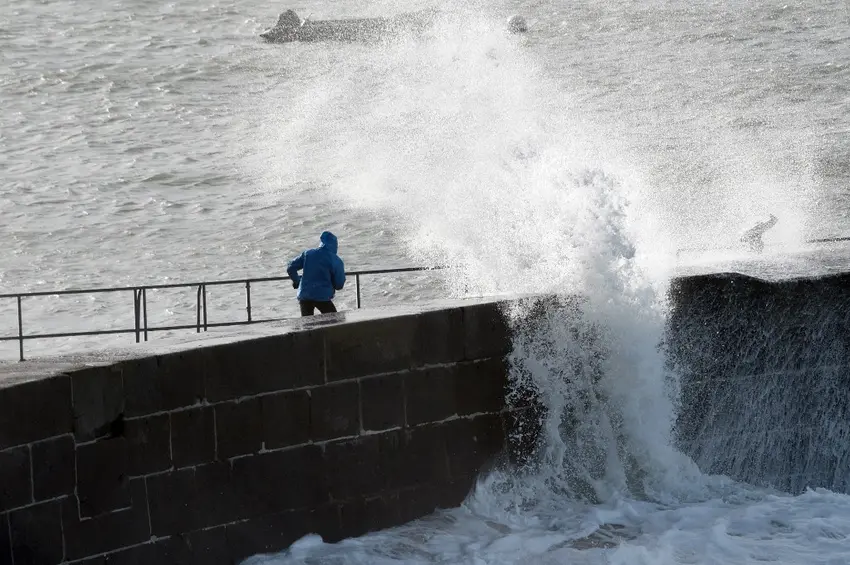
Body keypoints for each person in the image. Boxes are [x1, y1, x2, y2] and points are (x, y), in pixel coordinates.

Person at [287, 231, 346, 316]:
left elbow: (291, 267)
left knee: (307, 325)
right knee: (334, 321)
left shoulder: (308, 254)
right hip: (323, 297)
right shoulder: (335, 260)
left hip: (305, 295)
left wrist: (297, 281)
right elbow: (339, 285)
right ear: (335, 245)